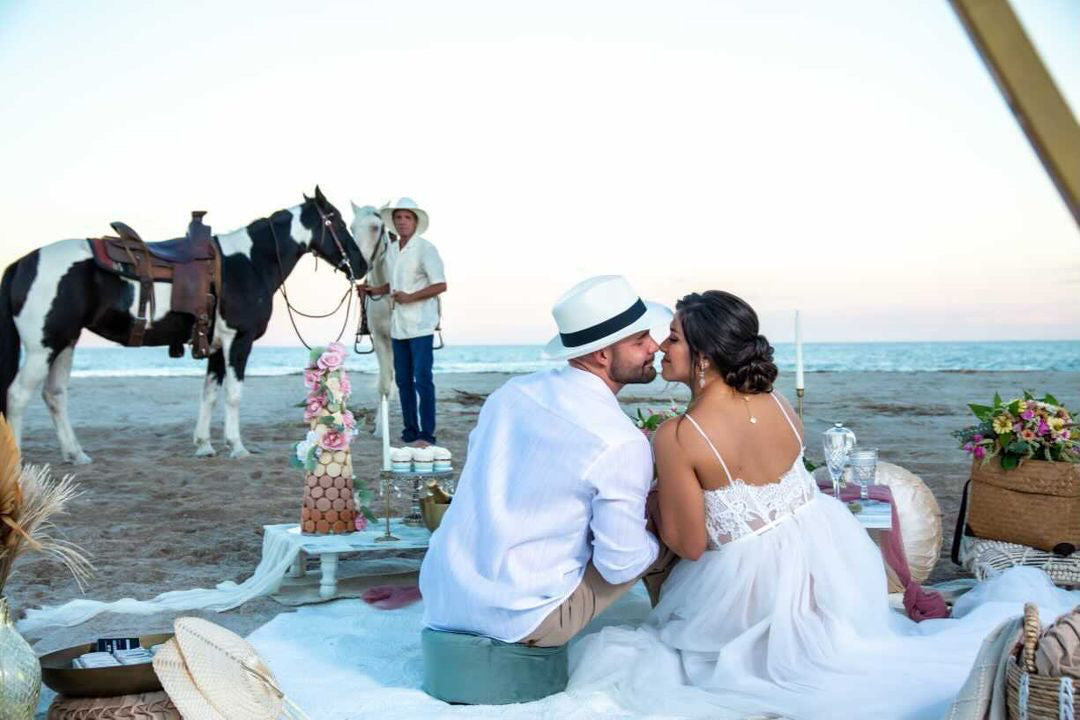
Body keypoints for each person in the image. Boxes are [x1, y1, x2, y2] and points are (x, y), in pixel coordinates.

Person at [567, 290, 1080, 719]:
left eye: (674, 338)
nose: (661, 348)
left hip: (745, 593)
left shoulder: (679, 437)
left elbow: (691, 545)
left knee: (637, 657)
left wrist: (650, 506)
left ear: (702, 356)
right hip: (822, 569)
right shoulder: (779, 404)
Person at [419, 275, 676, 647]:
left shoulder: (511, 394)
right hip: (521, 619)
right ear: (603, 354)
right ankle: (678, 635)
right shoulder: (617, 439)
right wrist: (653, 528)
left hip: (445, 594)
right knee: (669, 523)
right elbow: (618, 565)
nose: (654, 345)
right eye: (639, 341)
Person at [357, 197, 446, 447]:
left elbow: (441, 284)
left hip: (420, 324)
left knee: (422, 379)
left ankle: (426, 434)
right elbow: (394, 284)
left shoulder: (426, 249)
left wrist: (410, 297)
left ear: (415, 222)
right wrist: (375, 290)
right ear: (393, 223)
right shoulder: (393, 251)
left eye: (407, 217)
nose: (402, 222)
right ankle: (410, 431)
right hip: (398, 327)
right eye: (398, 218)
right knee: (403, 381)